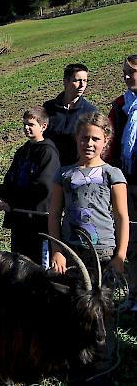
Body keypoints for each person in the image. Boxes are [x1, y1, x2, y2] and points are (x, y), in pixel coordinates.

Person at [48, 111, 127, 386]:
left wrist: (120, 255)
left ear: (106, 141)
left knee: (103, 313)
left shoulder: (112, 174)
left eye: (95, 138)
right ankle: (76, 364)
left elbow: (121, 217)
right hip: (72, 255)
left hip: (103, 255)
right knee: (74, 309)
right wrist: (56, 250)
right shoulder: (64, 174)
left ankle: (105, 367)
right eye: (84, 138)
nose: (89, 143)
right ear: (76, 139)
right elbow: (54, 213)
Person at [0, 107, 59, 264]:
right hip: (19, 221)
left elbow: (43, 187)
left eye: (31, 124)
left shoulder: (48, 152)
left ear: (43, 126)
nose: (26, 128)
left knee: (38, 266)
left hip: (37, 222)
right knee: (19, 263)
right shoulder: (22, 151)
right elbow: (10, 179)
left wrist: (14, 203)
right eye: (24, 124)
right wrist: (2, 198)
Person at [106, 54, 137, 309]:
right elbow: (111, 141)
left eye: (132, 72)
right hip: (128, 182)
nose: (127, 76)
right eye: (124, 72)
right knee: (131, 240)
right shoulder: (120, 106)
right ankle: (134, 294)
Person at [43, 63, 97, 166]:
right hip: (49, 166)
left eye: (85, 81)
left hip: (76, 168)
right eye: (77, 80)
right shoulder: (48, 108)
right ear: (65, 82)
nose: (82, 85)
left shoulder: (90, 112)